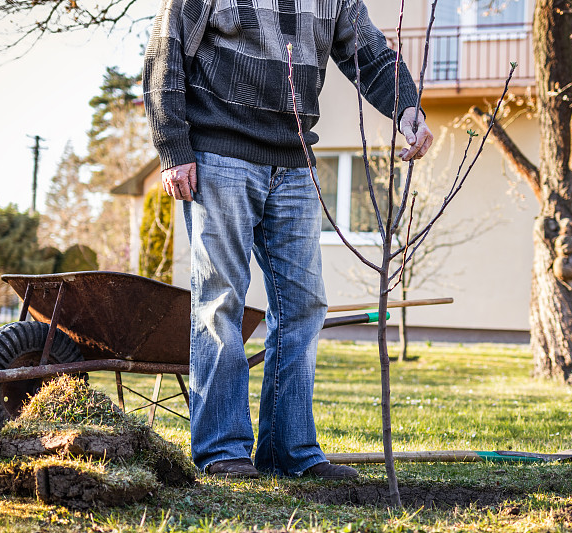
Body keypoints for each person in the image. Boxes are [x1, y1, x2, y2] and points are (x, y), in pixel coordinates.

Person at [143, 0, 433, 479]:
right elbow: (165, 52)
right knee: (221, 301)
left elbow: (371, 54)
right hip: (219, 154)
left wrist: (407, 108)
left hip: (295, 162)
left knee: (303, 305)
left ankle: (289, 451)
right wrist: (173, 147)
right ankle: (222, 450)